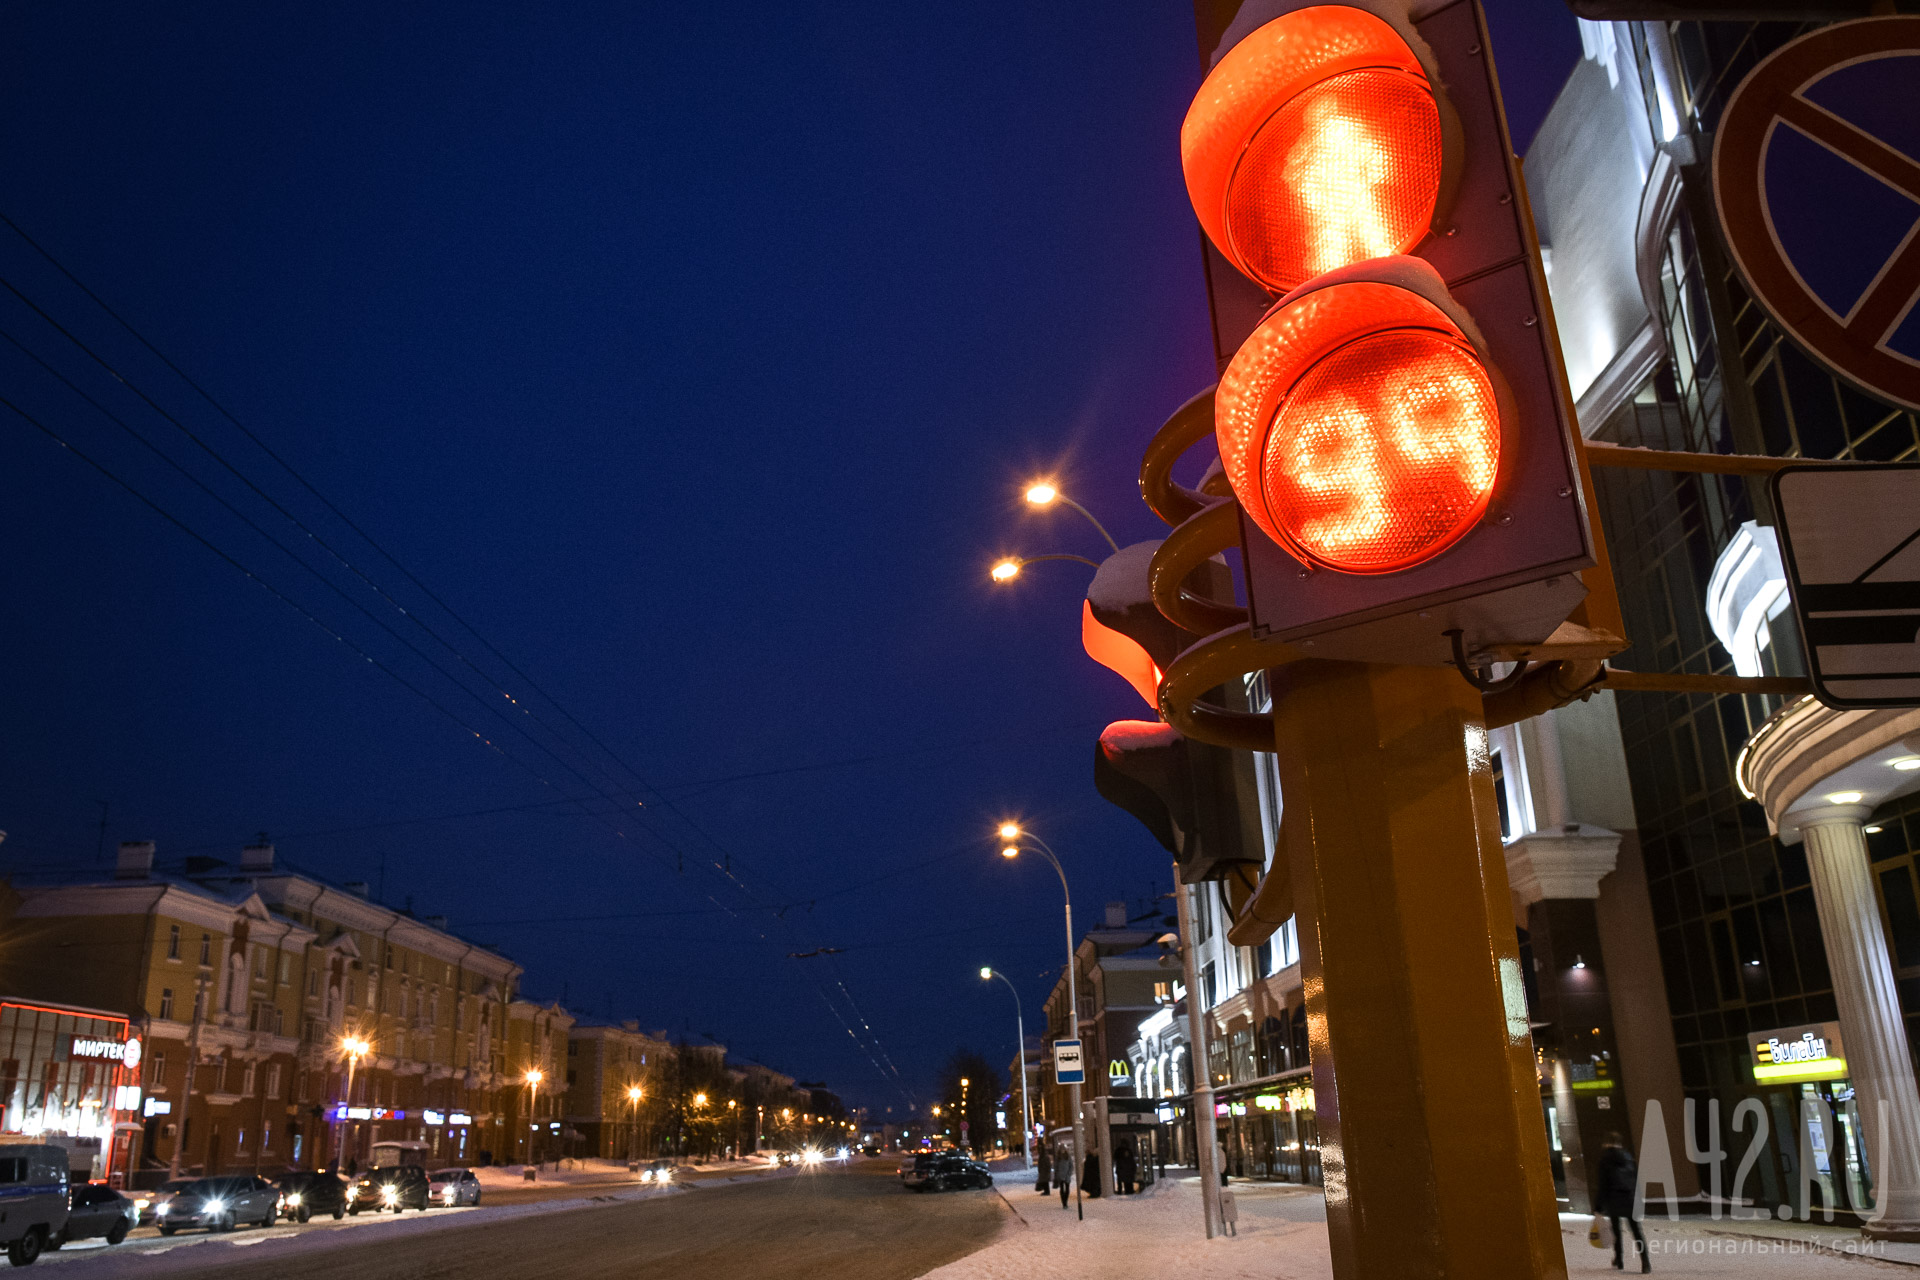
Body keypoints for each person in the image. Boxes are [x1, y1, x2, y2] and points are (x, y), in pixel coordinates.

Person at [1596, 1133, 1649, 1273]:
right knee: (1637, 1231)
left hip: (1613, 1199)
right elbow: (1636, 1181)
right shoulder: (1629, 1158)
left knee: (1616, 1231)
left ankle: (1619, 1260)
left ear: (1606, 1143)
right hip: (1630, 1199)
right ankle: (1645, 1262)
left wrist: (1598, 1205)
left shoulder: (1605, 1160)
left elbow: (1603, 1184)